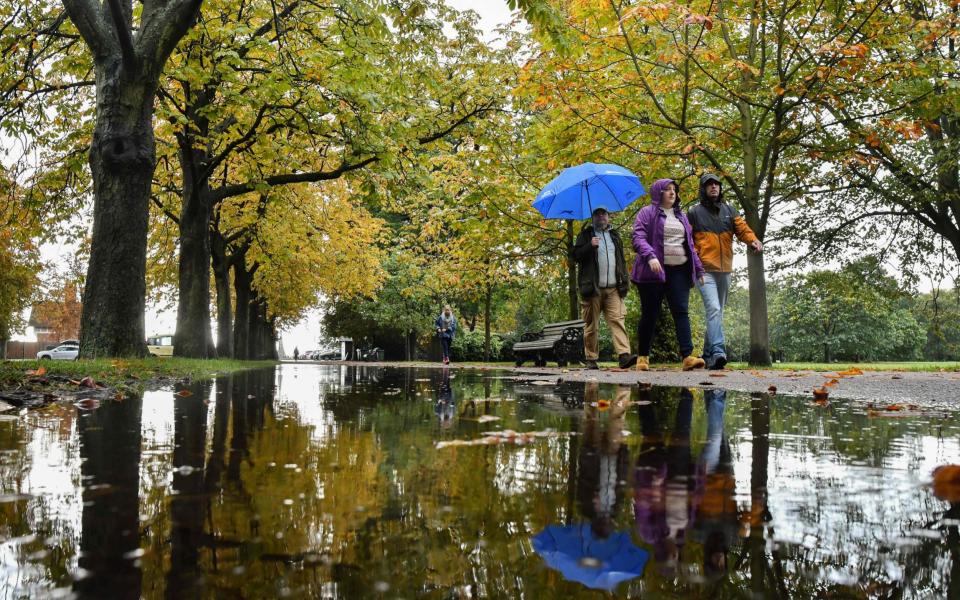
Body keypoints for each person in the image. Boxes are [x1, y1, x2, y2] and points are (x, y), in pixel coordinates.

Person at [687, 173, 762, 369]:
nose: (713, 187)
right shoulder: (694, 212)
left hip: (725, 270)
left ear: (720, 188)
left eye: (716, 184)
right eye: (709, 185)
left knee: (716, 314)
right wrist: (696, 264)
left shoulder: (730, 211)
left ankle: (706, 355)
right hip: (704, 270)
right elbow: (689, 241)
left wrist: (753, 240)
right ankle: (719, 352)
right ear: (703, 189)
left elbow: (743, 230)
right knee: (714, 309)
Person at [631, 179, 706, 371]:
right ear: (658, 193)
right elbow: (637, 237)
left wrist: (698, 269)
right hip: (652, 271)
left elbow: (689, 246)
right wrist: (650, 256)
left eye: (674, 190)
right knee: (650, 314)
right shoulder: (646, 213)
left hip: (679, 271)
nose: (672, 193)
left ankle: (688, 356)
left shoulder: (681, 217)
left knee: (681, 312)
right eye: (667, 190)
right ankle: (643, 358)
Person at [572, 206, 638, 370]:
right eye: (597, 214)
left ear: (608, 217)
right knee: (591, 324)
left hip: (614, 288)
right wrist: (589, 246)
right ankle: (591, 359)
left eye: (604, 214)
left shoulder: (615, 236)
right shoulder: (586, 235)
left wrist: (625, 281)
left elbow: (621, 261)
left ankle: (624, 356)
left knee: (618, 320)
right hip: (592, 288)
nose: (601, 217)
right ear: (593, 217)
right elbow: (575, 256)